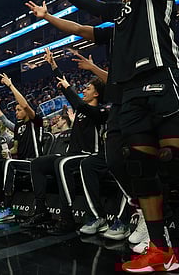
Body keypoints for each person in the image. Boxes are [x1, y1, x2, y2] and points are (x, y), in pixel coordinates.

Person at [32, 0, 179, 272]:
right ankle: (161, 251)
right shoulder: (119, 14)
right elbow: (86, 10)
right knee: (140, 169)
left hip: (163, 81)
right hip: (132, 95)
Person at [22, 49, 107, 236]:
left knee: (61, 163)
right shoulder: (82, 109)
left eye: (88, 89)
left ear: (97, 95)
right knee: (38, 163)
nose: (84, 90)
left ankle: (66, 218)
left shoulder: (100, 112)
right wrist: (53, 66)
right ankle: (41, 211)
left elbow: (77, 102)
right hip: (72, 155)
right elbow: (67, 88)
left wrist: (69, 89)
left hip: (88, 155)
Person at [0, 73, 43, 222]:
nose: (16, 112)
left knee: (9, 164)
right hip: (22, 161)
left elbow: (25, 104)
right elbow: (8, 127)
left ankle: (8, 208)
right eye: (16, 110)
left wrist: (10, 85)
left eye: (19, 110)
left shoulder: (36, 121)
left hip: (34, 162)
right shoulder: (19, 126)